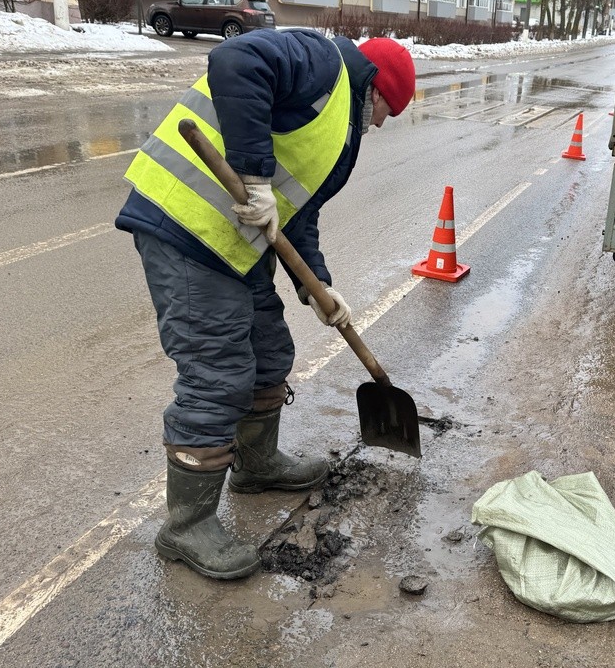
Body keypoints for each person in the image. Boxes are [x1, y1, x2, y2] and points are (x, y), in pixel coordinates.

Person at [115, 29, 416, 580]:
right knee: (217, 372)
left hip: (233, 244)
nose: (379, 125)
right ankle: (185, 526)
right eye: (386, 112)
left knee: (270, 351)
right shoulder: (323, 64)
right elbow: (235, 59)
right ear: (376, 88)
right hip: (182, 226)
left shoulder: (333, 121)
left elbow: (297, 214)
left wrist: (319, 289)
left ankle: (255, 464)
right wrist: (251, 174)